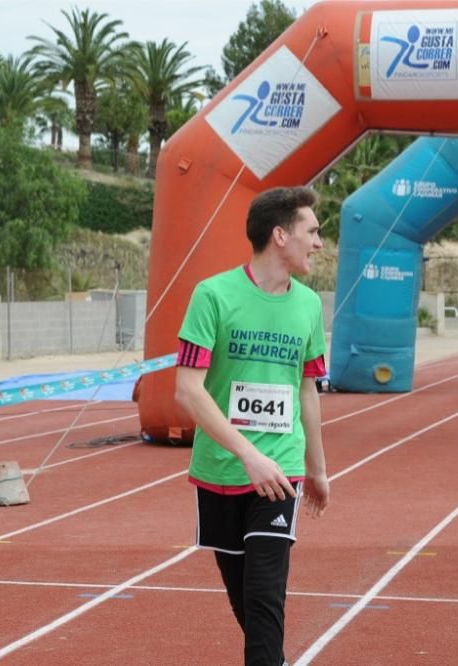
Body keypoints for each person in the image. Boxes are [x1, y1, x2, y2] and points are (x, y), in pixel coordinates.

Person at [175, 185, 330, 666]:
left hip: (281, 471)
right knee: (246, 603)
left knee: (265, 598)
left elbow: (307, 392)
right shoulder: (213, 296)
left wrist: (318, 469)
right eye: (313, 231)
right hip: (222, 471)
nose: (320, 243)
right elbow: (188, 390)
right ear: (280, 236)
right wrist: (247, 454)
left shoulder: (308, 306)